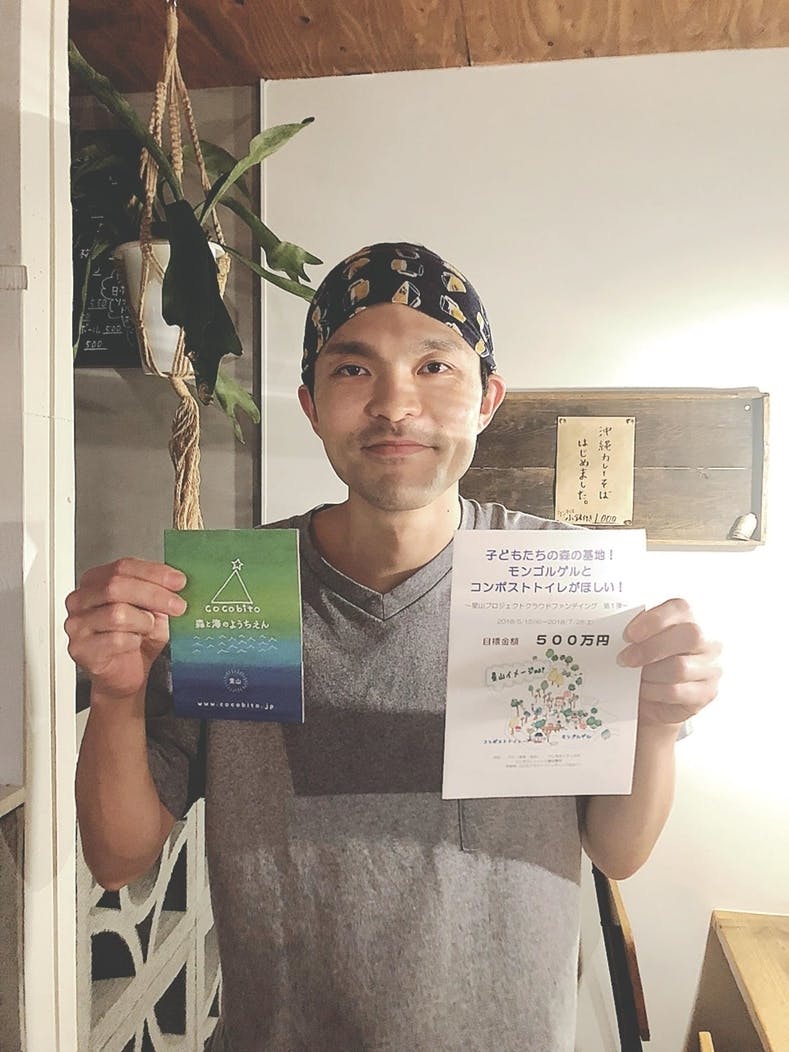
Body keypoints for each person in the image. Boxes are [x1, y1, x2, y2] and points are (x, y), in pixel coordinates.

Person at [66, 242, 721, 1052]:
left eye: (435, 367)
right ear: (310, 404)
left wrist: (655, 721)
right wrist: (118, 693)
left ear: (487, 398)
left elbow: (617, 852)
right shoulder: (242, 593)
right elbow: (117, 858)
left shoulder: (561, 582)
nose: (394, 405)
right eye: (353, 369)